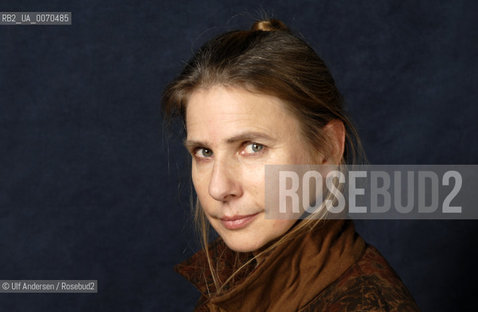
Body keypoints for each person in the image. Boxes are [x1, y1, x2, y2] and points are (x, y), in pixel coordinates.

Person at [162, 19, 420, 311]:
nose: (219, 187)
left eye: (253, 147)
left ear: (327, 148)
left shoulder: (364, 304)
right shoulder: (230, 284)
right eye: (204, 152)